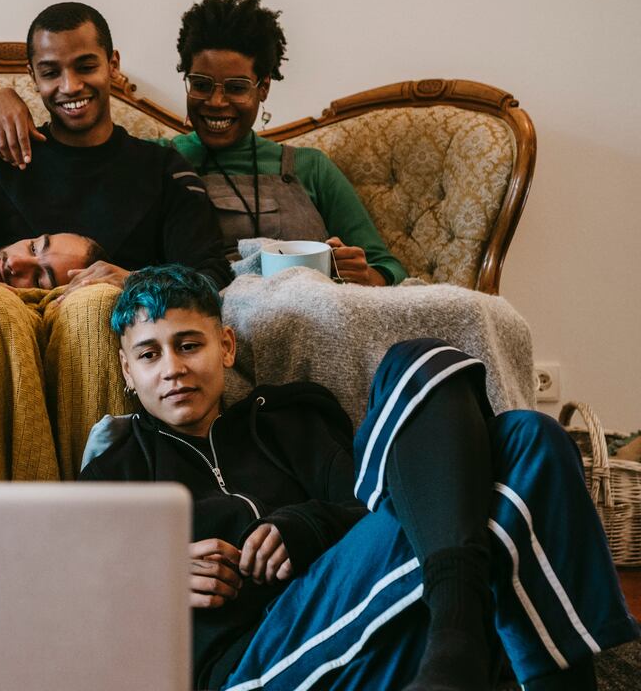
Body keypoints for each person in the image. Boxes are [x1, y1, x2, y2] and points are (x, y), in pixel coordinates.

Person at [81, 265, 638, 690]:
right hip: (253, 665)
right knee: (513, 458)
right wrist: (155, 576)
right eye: (149, 355)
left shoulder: (291, 418)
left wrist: (304, 527)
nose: (173, 368)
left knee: (523, 430)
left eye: (189, 344)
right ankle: (466, 632)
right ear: (129, 373)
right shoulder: (116, 472)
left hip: (370, 622)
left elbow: (367, 507)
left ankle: (455, 629)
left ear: (225, 347)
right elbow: (68, 599)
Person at [0, 1, 233, 480]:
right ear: (33, 76)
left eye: (86, 66)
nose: (70, 87)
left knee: (95, 306)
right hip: (1, 316)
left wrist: (136, 279)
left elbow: (211, 272)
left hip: (94, 319)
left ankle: (91, 528)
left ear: (113, 65)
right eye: (50, 72)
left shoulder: (162, 169)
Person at [0, 0, 407, 287]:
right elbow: (14, 172)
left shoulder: (309, 168)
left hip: (310, 315)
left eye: (236, 87)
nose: (216, 103)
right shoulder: (157, 165)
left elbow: (389, 267)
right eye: (201, 84)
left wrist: (364, 273)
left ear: (263, 88)